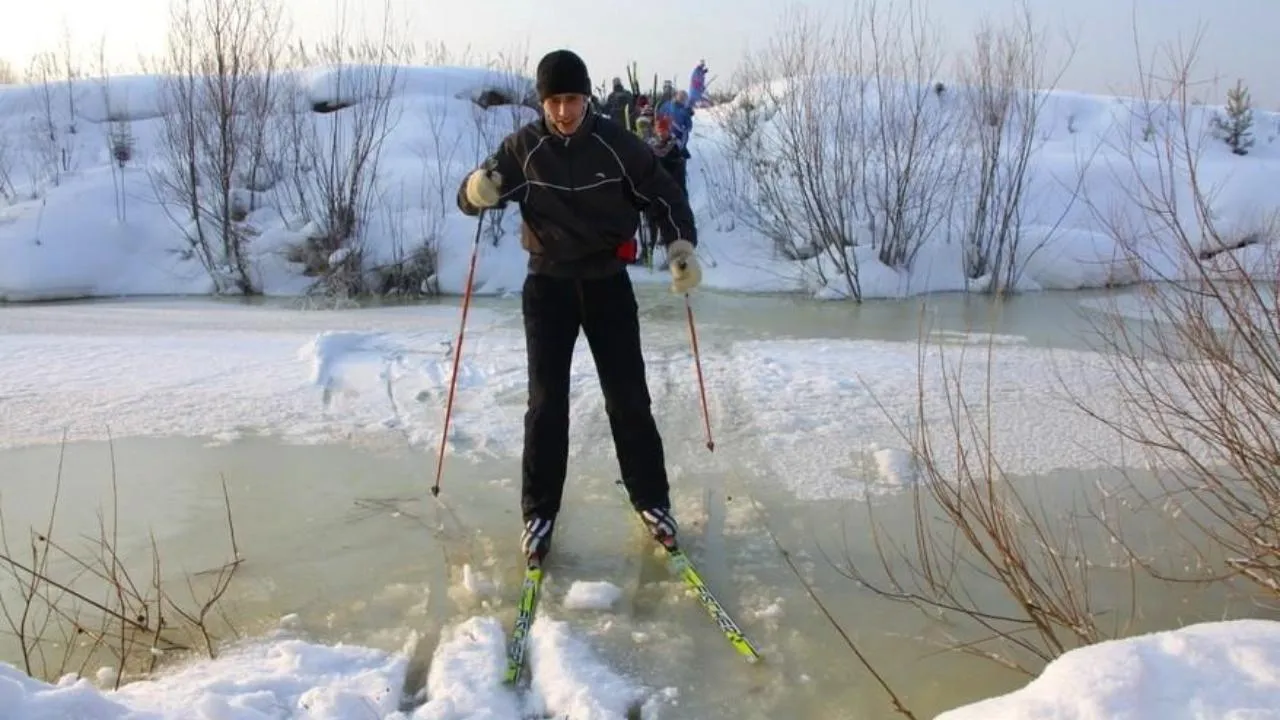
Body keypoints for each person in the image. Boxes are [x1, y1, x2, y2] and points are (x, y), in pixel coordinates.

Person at [456, 49, 702, 564]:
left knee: (628, 398)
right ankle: (539, 513)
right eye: (553, 101)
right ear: (542, 102)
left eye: (571, 99)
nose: (563, 111)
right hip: (548, 286)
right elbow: (474, 195)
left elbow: (664, 196)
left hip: (607, 282)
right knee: (546, 406)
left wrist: (680, 247)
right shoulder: (523, 148)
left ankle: (652, 503)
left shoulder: (618, 146)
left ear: (585, 97)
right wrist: (476, 191)